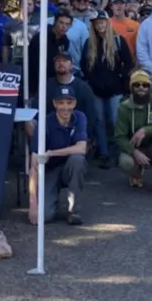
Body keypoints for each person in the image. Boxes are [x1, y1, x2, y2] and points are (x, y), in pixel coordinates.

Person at [28, 86, 88, 226]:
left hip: (69, 166)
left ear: (74, 103)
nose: (65, 107)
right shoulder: (44, 122)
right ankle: (50, 202)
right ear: (55, 104)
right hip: (49, 170)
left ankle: (74, 211)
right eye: (61, 103)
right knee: (43, 217)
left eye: (69, 103)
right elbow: (33, 165)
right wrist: (33, 205)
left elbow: (82, 148)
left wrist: (52, 152)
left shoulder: (79, 117)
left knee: (78, 160)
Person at [81, 11, 134, 168]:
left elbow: (129, 63)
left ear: (107, 23)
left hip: (115, 89)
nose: (100, 25)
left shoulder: (118, 41)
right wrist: (93, 81)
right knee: (99, 121)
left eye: (102, 22)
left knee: (115, 120)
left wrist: (119, 77)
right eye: (97, 23)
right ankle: (104, 153)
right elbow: (84, 66)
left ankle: (119, 152)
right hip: (96, 89)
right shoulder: (89, 43)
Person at [115, 70, 152, 196]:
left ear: (150, 87)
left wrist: (145, 130)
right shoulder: (124, 107)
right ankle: (137, 174)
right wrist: (134, 152)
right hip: (135, 147)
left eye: (145, 85)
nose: (141, 88)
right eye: (137, 85)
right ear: (131, 87)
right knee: (125, 162)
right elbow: (119, 137)